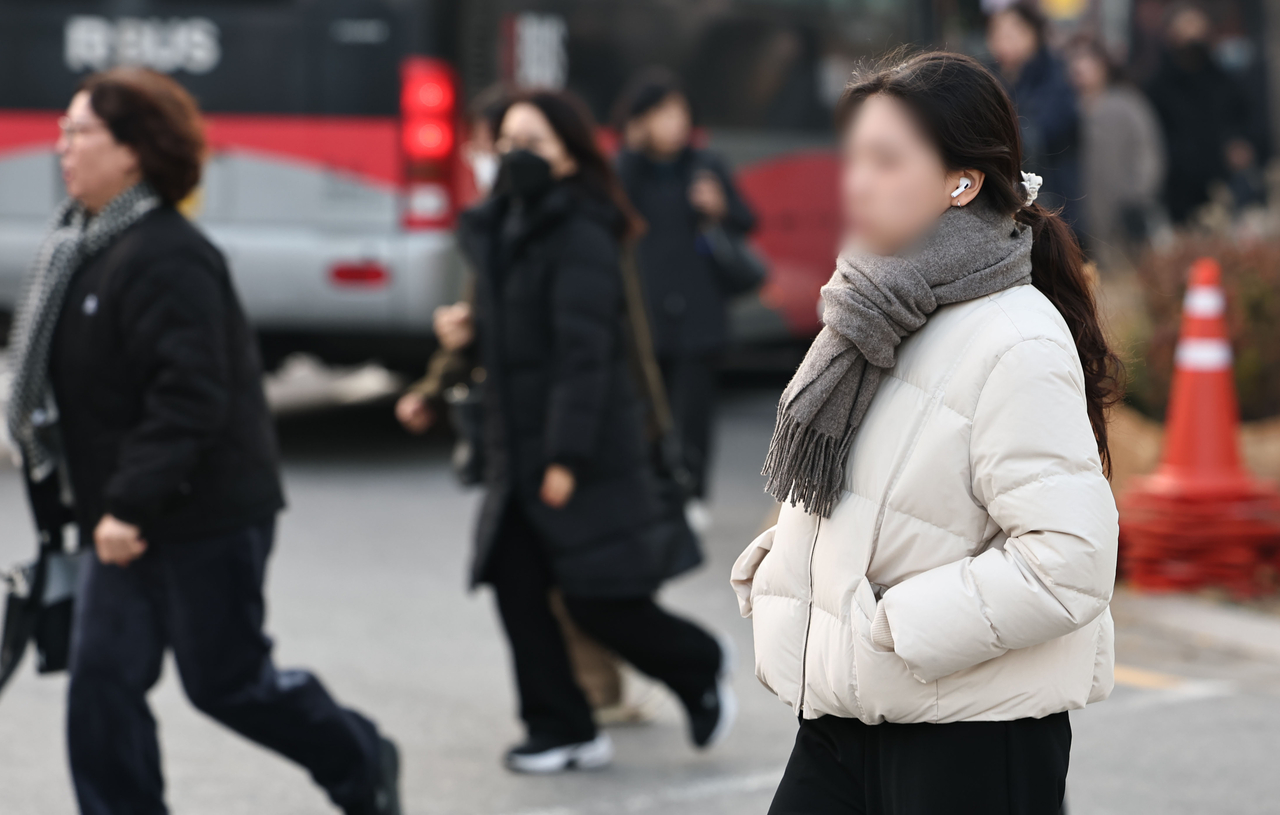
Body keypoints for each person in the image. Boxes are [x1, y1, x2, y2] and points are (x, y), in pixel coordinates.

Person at [732, 52, 1120, 814]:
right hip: (847, 719)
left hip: (971, 738)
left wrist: (893, 625)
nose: (856, 181)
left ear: (962, 182)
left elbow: (1069, 561)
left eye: (886, 159)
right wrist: (789, 565)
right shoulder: (871, 301)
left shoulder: (1017, 338)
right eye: (854, 157)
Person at [5, 68, 401, 815]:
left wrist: (127, 502)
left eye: (80, 130)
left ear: (132, 152)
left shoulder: (166, 255)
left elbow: (192, 397)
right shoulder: (79, 248)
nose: (61, 145)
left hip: (203, 515)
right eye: (62, 129)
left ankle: (357, 753)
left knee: (228, 683)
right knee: (102, 686)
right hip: (122, 519)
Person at [457, 89, 734, 773]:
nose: (517, 155)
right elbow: (508, 333)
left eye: (536, 142)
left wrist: (565, 455)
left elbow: (585, 354)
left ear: (570, 154)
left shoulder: (582, 228)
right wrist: (461, 341)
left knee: (599, 597)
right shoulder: (499, 224)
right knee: (517, 585)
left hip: (575, 448)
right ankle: (561, 726)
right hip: (516, 446)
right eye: (508, 141)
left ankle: (698, 665)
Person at [613, 68, 758, 517]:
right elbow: (608, 217)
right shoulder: (624, 169)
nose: (674, 123)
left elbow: (746, 220)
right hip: (645, 313)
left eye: (679, 112)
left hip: (699, 309)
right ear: (639, 120)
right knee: (647, 408)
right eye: (660, 114)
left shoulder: (706, 164)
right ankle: (655, 490)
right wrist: (629, 154)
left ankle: (693, 493)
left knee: (694, 413)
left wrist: (720, 206)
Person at [1144, 2, 1251, 223]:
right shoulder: (1157, 87)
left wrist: (1238, 143)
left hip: (1221, 185)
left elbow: (1241, 120)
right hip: (1176, 189)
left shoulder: (1223, 81)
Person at [1067, 39, 1166, 260]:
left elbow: (1148, 152)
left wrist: (1138, 194)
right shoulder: (1063, 108)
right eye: (1073, 61)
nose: (1079, 67)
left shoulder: (1127, 104)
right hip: (1077, 219)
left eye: (1087, 60)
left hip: (1124, 213)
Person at [988, 2, 1082, 232]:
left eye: (1013, 32)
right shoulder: (988, 78)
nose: (1003, 39)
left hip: (1051, 199)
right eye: (996, 32)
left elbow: (1048, 131)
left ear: (1034, 34)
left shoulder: (1054, 78)